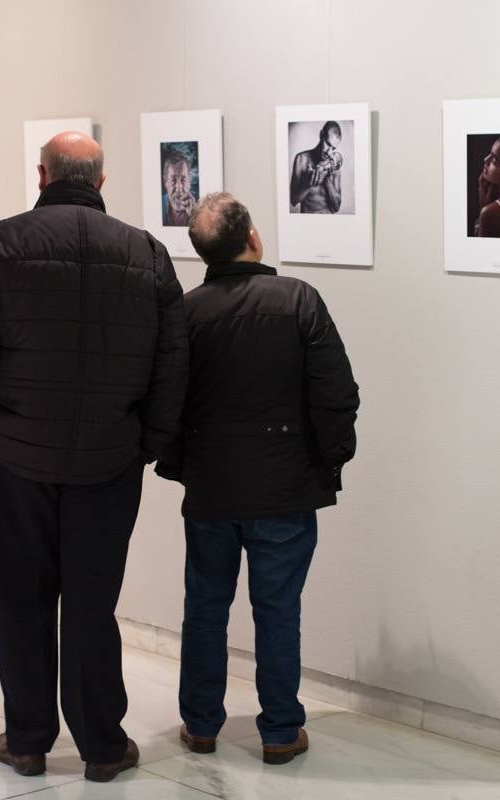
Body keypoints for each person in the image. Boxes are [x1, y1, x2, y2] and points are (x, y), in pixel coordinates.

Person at [0, 131, 188, 782]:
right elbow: (173, 363)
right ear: (101, 182)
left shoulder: (1, 244)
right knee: (91, 604)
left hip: (10, 458)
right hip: (108, 462)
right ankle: (103, 745)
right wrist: (149, 443)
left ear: (41, 174)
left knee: (20, 600)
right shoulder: (146, 253)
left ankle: (27, 740)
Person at [156, 193, 359, 765]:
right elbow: (337, 395)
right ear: (253, 240)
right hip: (284, 488)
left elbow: (165, 403)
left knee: (205, 605)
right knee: (277, 609)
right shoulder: (299, 300)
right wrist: (329, 462)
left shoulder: (185, 313)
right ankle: (279, 731)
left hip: (212, 488)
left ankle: (199, 725)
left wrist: (179, 465)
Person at [290, 121, 344, 214]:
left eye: (333, 148)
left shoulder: (333, 164)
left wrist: (326, 177)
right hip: (308, 221)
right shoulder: (301, 159)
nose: (329, 152)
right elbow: (294, 201)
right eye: (327, 144)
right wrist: (308, 184)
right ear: (321, 135)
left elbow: (336, 207)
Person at [161, 149, 196, 226]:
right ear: (165, 181)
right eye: (173, 180)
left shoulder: (199, 210)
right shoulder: (159, 206)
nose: (179, 189)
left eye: (183, 180)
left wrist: (194, 217)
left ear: (189, 181)